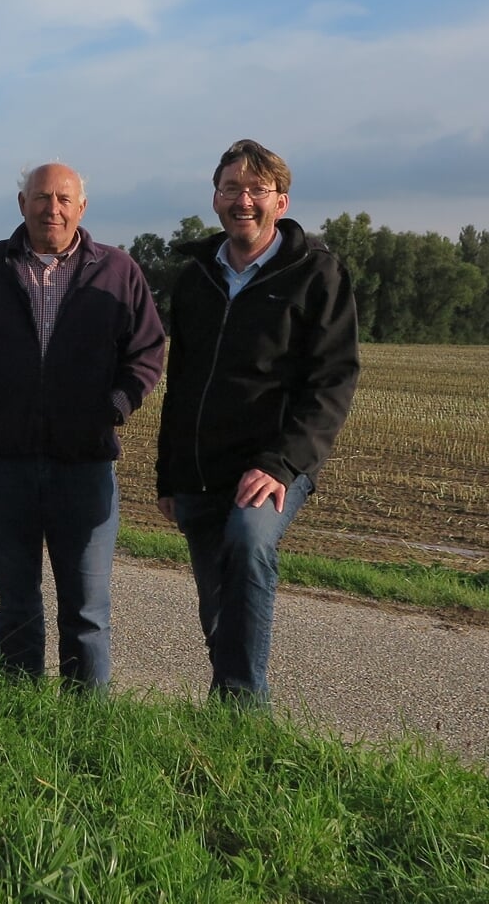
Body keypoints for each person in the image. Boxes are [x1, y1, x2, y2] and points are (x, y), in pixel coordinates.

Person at [0, 163, 164, 690]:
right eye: (40, 197)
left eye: (62, 198)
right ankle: (21, 710)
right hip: (2, 465)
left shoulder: (118, 270)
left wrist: (114, 408)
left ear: (82, 208)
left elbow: (148, 352)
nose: (50, 208)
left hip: (84, 466)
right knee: (15, 603)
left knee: (86, 611)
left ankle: (88, 729)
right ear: (21, 203)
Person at [155, 139, 360, 708]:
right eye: (231, 188)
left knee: (247, 544)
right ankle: (228, 715)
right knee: (218, 600)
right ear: (215, 197)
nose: (243, 200)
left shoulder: (316, 274)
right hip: (200, 466)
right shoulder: (196, 277)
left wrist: (281, 463)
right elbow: (183, 381)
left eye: (257, 189)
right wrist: (167, 474)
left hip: (273, 463)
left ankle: (243, 708)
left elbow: (333, 380)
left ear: (281, 201)